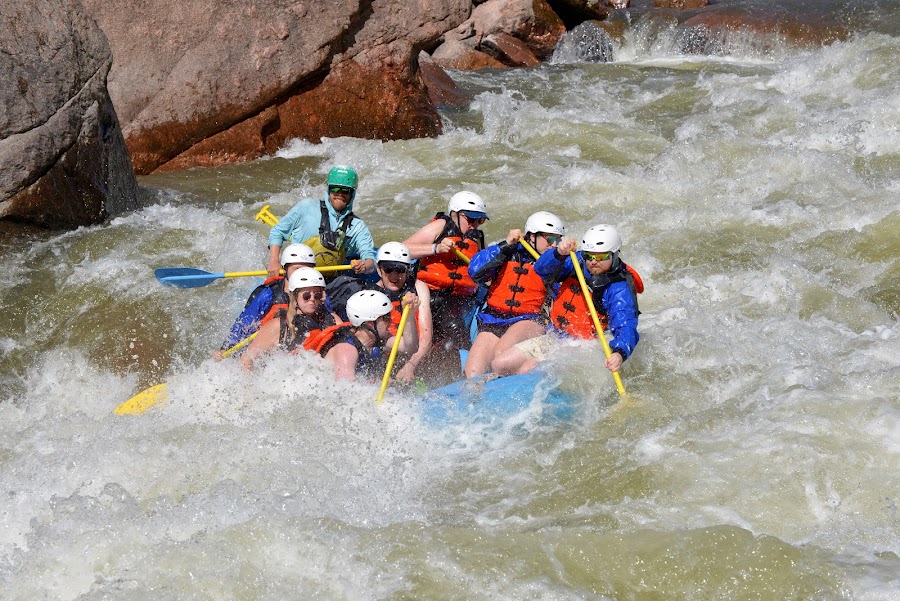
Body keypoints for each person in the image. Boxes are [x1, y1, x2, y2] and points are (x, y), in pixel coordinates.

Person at [492, 224, 641, 376]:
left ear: (614, 255)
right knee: (500, 364)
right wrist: (558, 254)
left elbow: (626, 324)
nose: (593, 262)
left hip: (584, 346)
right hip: (556, 335)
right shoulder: (578, 261)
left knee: (527, 369)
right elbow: (541, 270)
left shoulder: (619, 289)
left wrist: (619, 353)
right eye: (589, 256)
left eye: (601, 257)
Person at [463, 211, 565, 378]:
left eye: (558, 240)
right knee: (472, 372)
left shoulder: (555, 262)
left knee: (501, 353)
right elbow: (475, 270)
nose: (554, 245)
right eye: (550, 239)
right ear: (532, 236)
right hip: (494, 319)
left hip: (529, 320)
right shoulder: (507, 252)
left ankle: (525, 370)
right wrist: (505, 245)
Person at [403, 190, 488, 352]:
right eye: (470, 218)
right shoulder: (441, 226)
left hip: (459, 299)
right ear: (455, 214)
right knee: (455, 330)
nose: (474, 225)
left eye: (480, 220)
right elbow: (402, 249)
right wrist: (436, 248)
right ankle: (467, 369)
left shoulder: (476, 238)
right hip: (430, 293)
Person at [266, 165, 376, 278]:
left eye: (345, 190)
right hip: (297, 274)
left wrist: (364, 265)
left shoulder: (357, 226)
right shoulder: (306, 207)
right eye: (335, 189)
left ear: (352, 194)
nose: (340, 194)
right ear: (329, 190)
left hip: (331, 279)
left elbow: (370, 259)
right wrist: (274, 261)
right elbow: (278, 232)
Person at [214, 243, 316, 361]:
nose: (301, 274)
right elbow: (244, 324)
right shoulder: (268, 294)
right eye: (296, 269)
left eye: (306, 269)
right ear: (285, 269)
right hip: (267, 348)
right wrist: (226, 347)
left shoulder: (317, 296)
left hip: (302, 347)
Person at [239, 267, 338, 371]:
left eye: (317, 295)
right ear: (295, 296)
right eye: (306, 295)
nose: (312, 299)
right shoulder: (277, 326)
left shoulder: (332, 320)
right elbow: (246, 361)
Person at [312, 290, 419, 381]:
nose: (390, 321)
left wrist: (410, 314)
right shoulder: (346, 351)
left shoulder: (377, 339)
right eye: (386, 318)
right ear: (369, 323)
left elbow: (410, 347)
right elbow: (345, 394)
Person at [372, 242, 433, 384]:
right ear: (379, 270)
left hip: (413, 356)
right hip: (386, 354)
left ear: (407, 271)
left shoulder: (419, 288)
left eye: (399, 270)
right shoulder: (370, 294)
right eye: (388, 269)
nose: (394, 276)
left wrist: (410, 366)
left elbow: (425, 336)